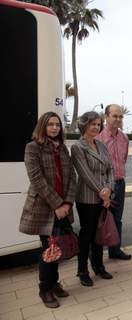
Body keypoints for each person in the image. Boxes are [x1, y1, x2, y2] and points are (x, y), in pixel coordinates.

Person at [19, 112, 76, 308]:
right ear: (43, 126)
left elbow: (71, 178)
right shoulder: (32, 148)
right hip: (45, 207)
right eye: (50, 124)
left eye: (57, 125)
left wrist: (68, 203)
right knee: (48, 249)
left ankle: (54, 283)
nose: (54, 128)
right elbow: (37, 180)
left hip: (63, 208)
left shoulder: (63, 150)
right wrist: (58, 205)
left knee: (57, 247)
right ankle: (45, 289)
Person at [71, 111, 115, 287]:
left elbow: (111, 169)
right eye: (92, 124)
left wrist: (109, 189)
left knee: (99, 234)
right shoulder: (77, 147)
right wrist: (102, 191)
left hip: (104, 196)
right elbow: (85, 174)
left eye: (98, 124)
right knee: (87, 235)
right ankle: (82, 271)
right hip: (87, 198)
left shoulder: (101, 145)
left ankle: (99, 266)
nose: (96, 127)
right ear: (84, 125)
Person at [95, 104, 131, 260]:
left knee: (117, 219)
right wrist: (105, 189)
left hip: (120, 184)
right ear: (106, 117)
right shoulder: (98, 138)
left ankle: (115, 250)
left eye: (120, 116)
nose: (118, 119)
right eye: (115, 116)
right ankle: (96, 258)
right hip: (102, 186)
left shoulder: (124, 138)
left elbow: (122, 160)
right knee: (100, 221)